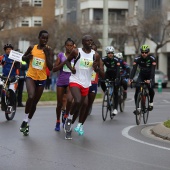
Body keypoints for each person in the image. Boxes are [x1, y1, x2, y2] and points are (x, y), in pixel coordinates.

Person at [63, 35, 104, 139]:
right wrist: (71, 69)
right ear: (83, 42)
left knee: (85, 104)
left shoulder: (96, 55)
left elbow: (102, 74)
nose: (90, 42)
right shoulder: (76, 52)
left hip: (86, 83)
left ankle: (72, 124)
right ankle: (69, 119)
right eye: (87, 41)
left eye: (91, 40)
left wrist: (97, 68)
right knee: (77, 100)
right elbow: (67, 61)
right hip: (75, 80)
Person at [19, 30, 53, 136]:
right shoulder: (32, 48)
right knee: (31, 96)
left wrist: (47, 55)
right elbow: (22, 58)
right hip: (31, 76)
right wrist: (27, 58)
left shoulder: (49, 50)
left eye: (46, 38)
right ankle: (25, 120)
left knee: (34, 103)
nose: (45, 40)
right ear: (39, 37)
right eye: (43, 38)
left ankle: (27, 124)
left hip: (42, 78)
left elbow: (51, 67)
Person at [52, 38, 75, 131]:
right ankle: (58, 121)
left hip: (71, 81)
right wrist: (64, 63)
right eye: (67, 45)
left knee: (69, 100)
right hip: (61, 81)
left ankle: (65, 116)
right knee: (59, 103)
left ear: (73, 46)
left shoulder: (76, 56)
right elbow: (54, 69)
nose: (69, 47)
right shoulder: (61, 55)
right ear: (65, 46)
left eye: (71, 46)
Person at [128, 44, 156, 114]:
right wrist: (131, 78)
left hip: (150, 75)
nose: (144, 54)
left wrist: (150, 79)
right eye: (142, 52)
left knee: (150, 89)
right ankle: (138, 108)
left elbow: (153, 70)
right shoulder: (137, 59)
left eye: (146, 52)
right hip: (142, 75)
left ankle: (151, 102)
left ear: (148, 52)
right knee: (137, 88)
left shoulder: (152, 58)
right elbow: (134, 69)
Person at [100, 46, 120, 116]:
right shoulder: (104, 59)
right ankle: (106, 92)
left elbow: (118, 70)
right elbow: (101, 67)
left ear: (113, 53)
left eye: (111, 53)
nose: (110, 54)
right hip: (108, 73)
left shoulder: (116, 59)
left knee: (115, 92)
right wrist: (101, 75)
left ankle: (115, 109)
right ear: (107, 53)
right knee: (101, 81)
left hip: (115, 74)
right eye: (109, 53)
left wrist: (117, 78)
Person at [1, 44, 20, 112]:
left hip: (13, 77)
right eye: (7, 49)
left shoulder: (15, 58)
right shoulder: (2, 57)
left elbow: (18, 67)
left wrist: (17, 75)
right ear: (5, 50)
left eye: (10, 49)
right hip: (4, 77)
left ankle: (11, 105)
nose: (8, 50)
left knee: (12, 90)